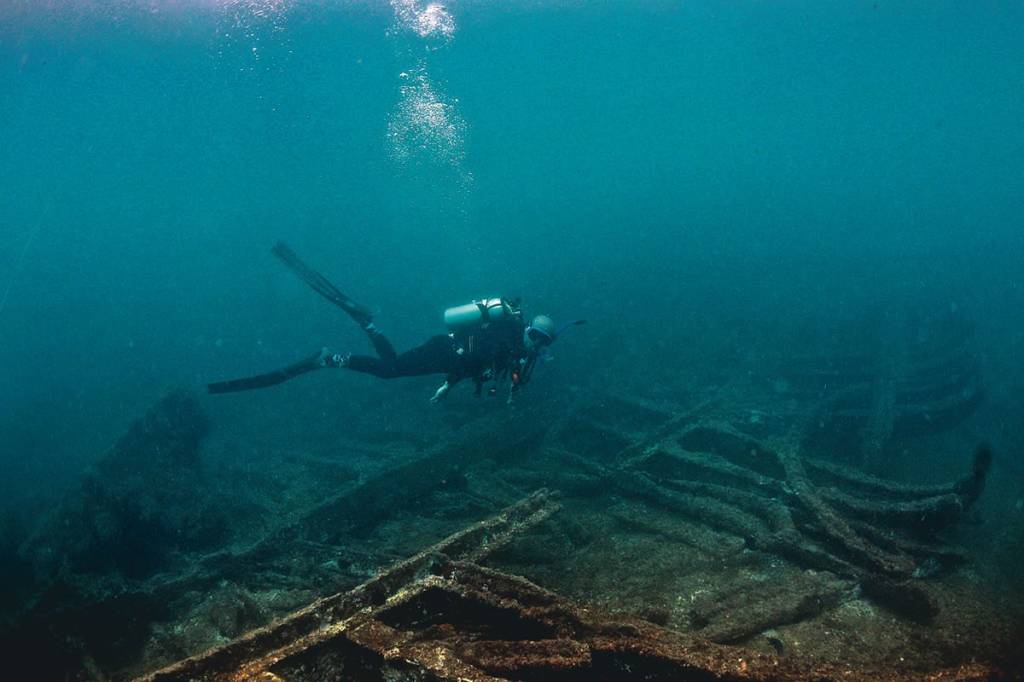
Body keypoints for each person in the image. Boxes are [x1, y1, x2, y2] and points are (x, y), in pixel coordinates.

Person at [208, 242, 583, 403]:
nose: (535, 342)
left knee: (391, 369)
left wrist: (447, 387)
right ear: (528, 327)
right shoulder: (509, 335)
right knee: (390, 370)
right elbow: (480, 357)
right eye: (535, 334)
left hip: (445, 358)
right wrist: (460, 377)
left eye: (542, 341)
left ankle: (363, 330)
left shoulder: (515, 347)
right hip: (443, 350)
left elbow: (477, 366)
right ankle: (334, 354)